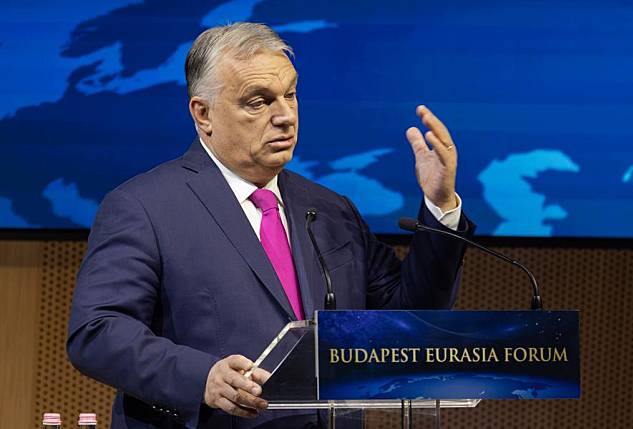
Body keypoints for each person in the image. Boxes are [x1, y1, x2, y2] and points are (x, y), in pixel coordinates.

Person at [67, 22, 475, 429]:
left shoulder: (333, 210)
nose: (285, 116)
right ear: (203, 114)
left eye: (290, 95)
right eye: (258, 101)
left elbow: (409, 323)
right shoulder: (144, 206)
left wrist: (439, 206)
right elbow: (97, 332)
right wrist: (202, 377)